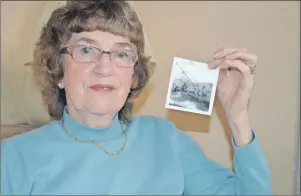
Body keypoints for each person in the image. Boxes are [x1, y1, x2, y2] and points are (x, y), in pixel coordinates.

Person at [1, 0, 273, 195]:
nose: (105, 68)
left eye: (121, 53)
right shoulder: (13, 158)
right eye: (86, 50)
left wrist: (237, 118)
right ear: (58, 71)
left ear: (133, 76)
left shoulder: (167, 139)